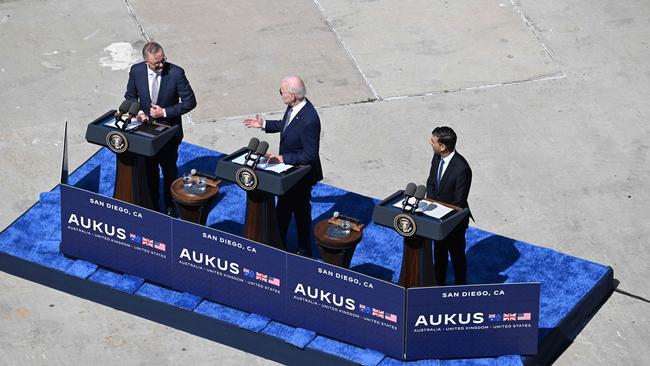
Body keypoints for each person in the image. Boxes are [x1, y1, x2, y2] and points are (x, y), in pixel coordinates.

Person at [243, 76, 322, 256]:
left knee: (299, 213)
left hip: (301, 175)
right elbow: (286, 125)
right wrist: (264, 124)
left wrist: (282, 158)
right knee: (285, 210)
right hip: (290, 173)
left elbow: (310, 155)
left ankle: (303, 250)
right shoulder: (294, 107)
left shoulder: (309, 120)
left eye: (281, 92)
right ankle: (279, 245)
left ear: (292, 95)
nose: (280, 94)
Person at [124, 42, 196, 215]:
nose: (161, 64)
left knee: (169, 170)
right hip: (146, 133)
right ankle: (153, 208)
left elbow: (190, 102)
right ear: (146, 61)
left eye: (162, 60)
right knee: (149, 172)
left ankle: (171, 208)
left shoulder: (176, 73)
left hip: (169, 133)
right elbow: (130, 96)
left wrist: (164, 112)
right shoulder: (137, 71)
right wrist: (140, 112)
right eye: (156, 63)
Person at [426, 126, 472, 285]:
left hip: (454, 222)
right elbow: (431, 182)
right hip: (437, 219)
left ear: (443, 146)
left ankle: (460, 288)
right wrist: (429, 206)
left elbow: (459, 201)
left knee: (457, 256)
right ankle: (438, 285)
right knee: (439, 255)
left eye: (433, 141)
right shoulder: (436, 156)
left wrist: (439, 212)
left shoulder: (462, 169)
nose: (429, 143)